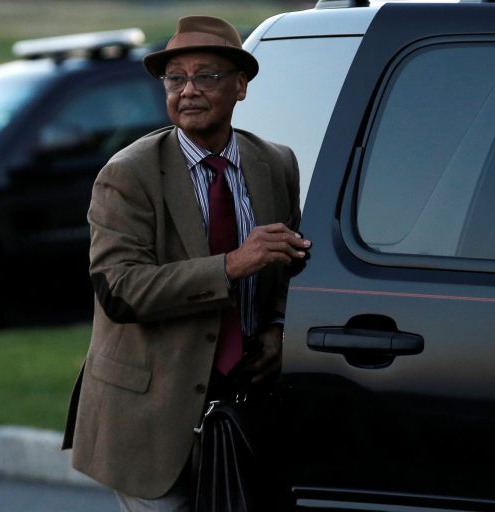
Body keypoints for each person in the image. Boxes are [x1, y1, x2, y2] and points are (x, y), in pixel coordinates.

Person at [61, 15, 310, 511]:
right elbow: (121, 290)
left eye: (207, 76)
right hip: (148, 417)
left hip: (245, 411)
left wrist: (279, 328)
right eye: (176, 79)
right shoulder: (127, 175)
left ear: (241, 86)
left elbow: (289, 266)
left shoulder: (276, 163)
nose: (188, 90)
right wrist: (231, 265)